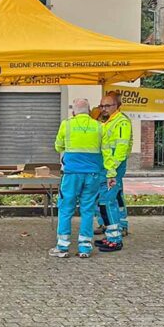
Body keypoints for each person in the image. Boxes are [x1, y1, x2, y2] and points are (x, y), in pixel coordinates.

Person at [49, 99, 103, 258]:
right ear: (89, 111)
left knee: (66, 208)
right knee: (88, 209)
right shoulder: (99, 127)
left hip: (72, 174)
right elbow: (104, 149)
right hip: (93, 174)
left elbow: (58, 146)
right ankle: (85, 247)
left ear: (74, 111)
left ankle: (63, 246)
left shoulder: (66, 125)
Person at [96, 92, 132, 253]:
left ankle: (115, 239)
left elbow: (120, 150)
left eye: (107, 105)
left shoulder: (122, 122)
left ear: (117, 106)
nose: (103, 109)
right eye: (101, 105)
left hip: (113, 168)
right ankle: (111, 235)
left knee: (108, 202)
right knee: (107, 200)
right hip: (107, 167)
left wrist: (112, 172)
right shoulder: (107, 122)